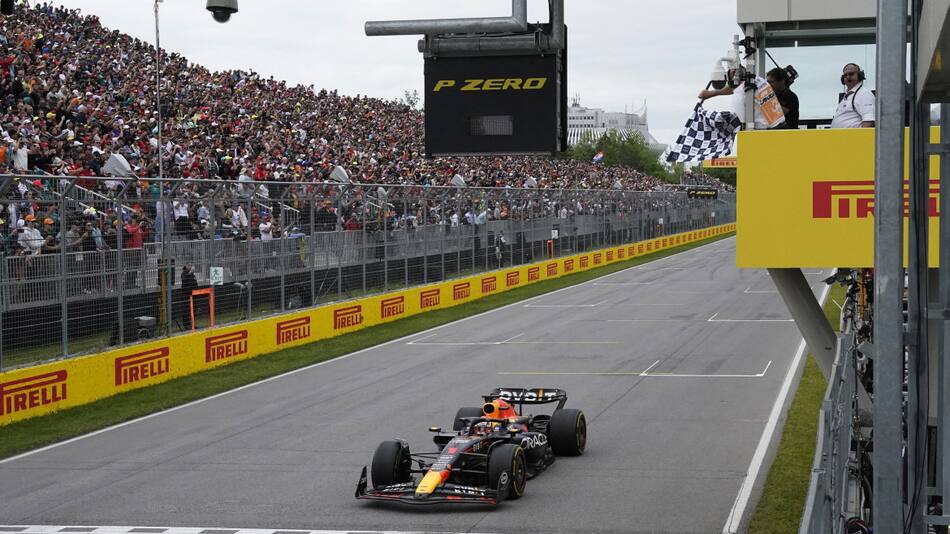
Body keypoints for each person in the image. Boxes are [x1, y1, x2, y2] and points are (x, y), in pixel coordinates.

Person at [831, 63, 875, 128]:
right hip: (840, 137)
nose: (848, 77)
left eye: (851, 74)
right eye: (845, 75)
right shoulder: (847, 96)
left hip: (853, 137)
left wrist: (860, 138)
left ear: (859, 76)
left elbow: (869, 121)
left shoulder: (864, 94)